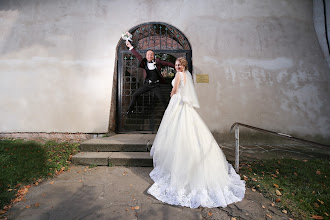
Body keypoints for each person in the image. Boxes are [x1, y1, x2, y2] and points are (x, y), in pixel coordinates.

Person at [147, 57, 245, 208]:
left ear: (183, 66)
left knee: (175, 131)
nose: (177, 66)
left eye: (179, 65)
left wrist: (172, 95)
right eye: (176, 65)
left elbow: (175, 89)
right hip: (184, 104)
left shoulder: (179, 75)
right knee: (187, 130)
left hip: (178, 103)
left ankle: (179, 164)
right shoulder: (187, 75)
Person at [125, 41, 175, 115]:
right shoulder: (144, 62)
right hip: (147, 85)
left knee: (162, 99)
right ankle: (130, 110)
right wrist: (130, 47)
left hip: (156, 85)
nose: (149, 56)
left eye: (151, 55)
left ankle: (169, 113)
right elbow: (137, 55)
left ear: (153, 56)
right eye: (148, 55)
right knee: (135, 94)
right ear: (146, 56)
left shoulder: (157, 62)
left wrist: (176, 67)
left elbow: (167, 63)